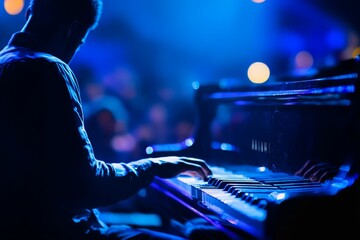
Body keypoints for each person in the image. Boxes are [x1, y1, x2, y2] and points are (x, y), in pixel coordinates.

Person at [0, 0, 213, 239]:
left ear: (30, 11)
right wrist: (155, 166)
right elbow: (88, 184)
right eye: (79, 44)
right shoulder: (49, 69)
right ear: (71, 30)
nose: (73, 52)